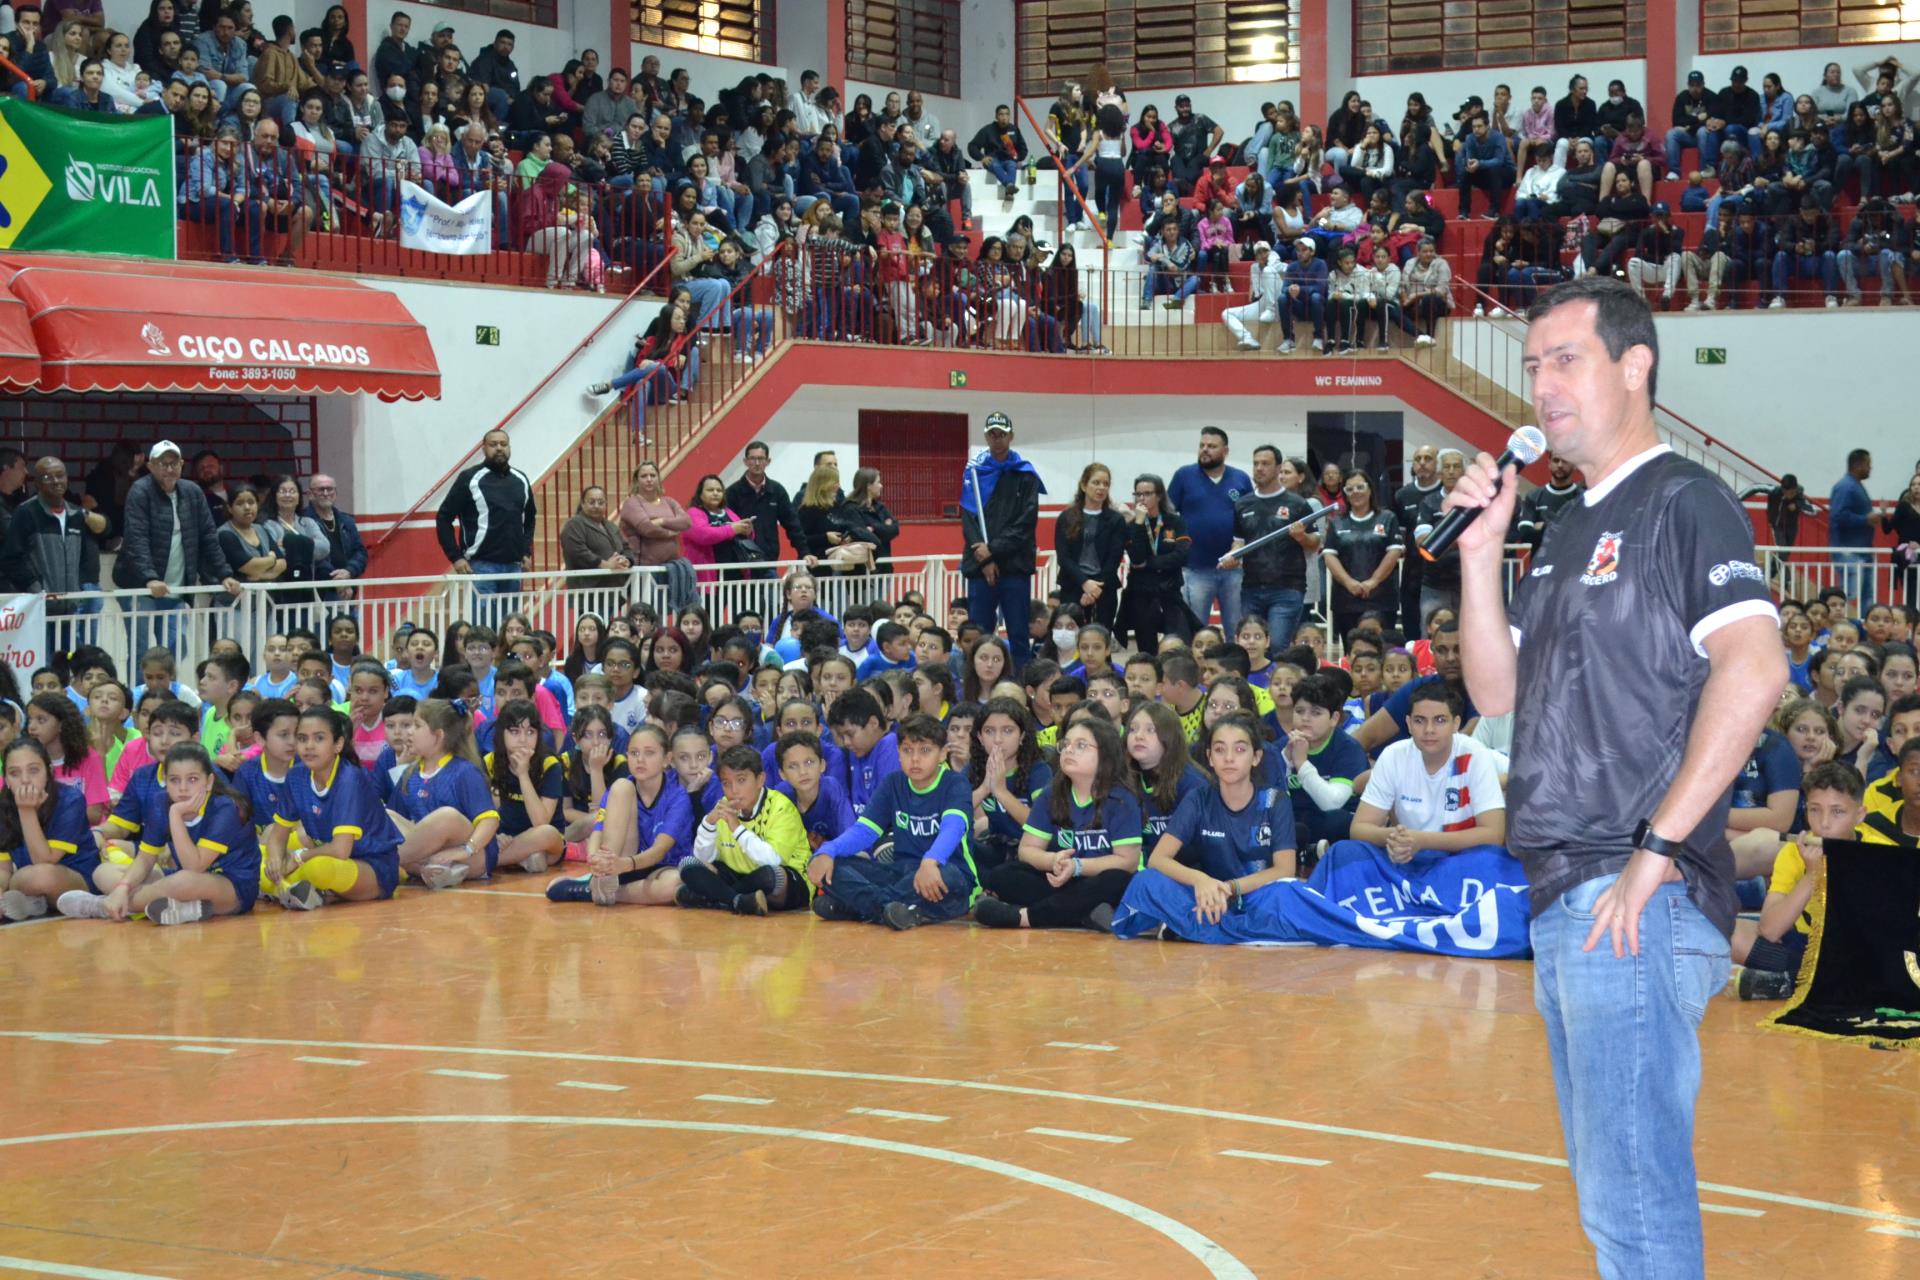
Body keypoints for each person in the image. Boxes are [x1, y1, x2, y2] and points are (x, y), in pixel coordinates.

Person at [1447, 276, 1787, 1278]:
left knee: (1634, 1206)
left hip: (1628, 890)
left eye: (1565, 359)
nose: (1540, 387)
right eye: (1532, 364)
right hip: (1566, 889)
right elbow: (1494, 690)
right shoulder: (1558, 528)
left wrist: (1658, 847)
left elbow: (1757, 667)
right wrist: (1480, 555)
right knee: (1614, 1199)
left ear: (1634, 366)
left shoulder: (1686, 500)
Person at [807, 712, 978, 930]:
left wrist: (931, 860)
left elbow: (953, 828)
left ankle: (861, 908)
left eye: (925, 751)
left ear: (943, 753)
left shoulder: (956, 783)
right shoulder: (893, 783)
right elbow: (864, 831)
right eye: (907, 751)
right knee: (831, 864)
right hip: (903, 874)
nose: (915, 759)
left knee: (949, 876)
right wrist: (828, 850)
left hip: (947, 875)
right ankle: (888, 909)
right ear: (898, 753)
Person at [110, 440, 240, 655]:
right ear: (151, 466)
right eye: (163, 463)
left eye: (173, 463)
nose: (169, 469)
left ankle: (169, 690)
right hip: (140, 587)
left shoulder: (192, 492)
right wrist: (149, 578)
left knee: (176, 649)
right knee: (141, 650)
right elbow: (136, 538)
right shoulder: (140, 491)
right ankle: (140, 689)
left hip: (176, 588)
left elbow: (208, 536)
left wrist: (224, 574)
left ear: (181, 465)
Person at [960, 412, 1043, 665]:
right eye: (992, 434)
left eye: (1002, 434)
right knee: (980, 634)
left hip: (1015, 567)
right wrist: (984, 559)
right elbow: (968, 518)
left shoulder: (1025, 475)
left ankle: (1020, 684)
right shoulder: (974, 473)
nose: (997, 439)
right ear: (986, 436)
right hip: (980, 567)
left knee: (1018, 633)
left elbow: (1025, 523)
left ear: (1011, 436)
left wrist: (992, 550)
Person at [1223, 448, 1319, 659]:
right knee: (1249, 649)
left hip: (1287, 589)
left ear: (1277, 468)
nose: (1259, 468)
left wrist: (1301, 537)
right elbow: (1239, 544)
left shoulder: (1297, 504)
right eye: (1256, 463)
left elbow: (1315, 543)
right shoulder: (1242, 504)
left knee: (1276, 647)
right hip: (1251, 588)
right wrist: (1232, 557)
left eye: (1265, 464)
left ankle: (1277, 690)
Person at [1166, 426, 1252, 638]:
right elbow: (1167, 516)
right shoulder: (1183, 476)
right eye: (1202, 445)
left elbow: (1251, 520)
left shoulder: (1240, 479)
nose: (1205, 450)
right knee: (1195, 632)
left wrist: (1241, 548)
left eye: (1212, 446)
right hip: (1194, 570)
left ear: (1225, 451)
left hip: (1234, 570)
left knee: (1236, 631)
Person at [435, 428, 535, 607]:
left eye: (503, 444)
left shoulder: (521, 479)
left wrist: (526, 551)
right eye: (493, 444)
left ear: (509, 447)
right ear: (483, 449)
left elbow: (529, 519)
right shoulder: (469, 478)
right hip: (480, 567)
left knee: (510, 630)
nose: (499, 448)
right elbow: (443, 517)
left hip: (514, 567)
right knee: (483, 632)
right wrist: (455, 557)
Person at [724, 439, 808, 570]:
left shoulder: (777, 490)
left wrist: (804, 552)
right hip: (739, 563)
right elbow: (724, 528)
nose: (757, 463)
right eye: (752, 459)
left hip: (769, 561)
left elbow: (793, 524)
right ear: (745, 461)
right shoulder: (732, 492)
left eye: (761, 459)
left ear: (768, 461)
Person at [300, 472, 366, 596]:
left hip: (348, 588)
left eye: (329, 489)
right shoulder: (303, 521)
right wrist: (338, 581)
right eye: (320, 489)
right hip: (319, 592)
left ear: (335, 492)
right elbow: (311, 556)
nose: (326, 493)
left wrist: (349, 571)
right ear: (310, 494)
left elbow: (360, 552)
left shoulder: (347, 521)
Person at [559, 484, 633, 587]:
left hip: (614, 589)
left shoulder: (611, 526)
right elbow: (577, 552)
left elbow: (626, 547)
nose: (596, 506)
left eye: (601, 502)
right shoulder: (575, 524)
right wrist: (605, 565)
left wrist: (626, 560)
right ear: (583, 504)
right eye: (592, 502)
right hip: (586, 590)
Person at [1830, 447, 1876, 609]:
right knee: (1849, 595)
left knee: (1866, 595)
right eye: (1868, 464)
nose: (1871, 468)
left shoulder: (1854, 486)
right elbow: (1838, 515)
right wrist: (1865, 519)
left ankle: (1864, 630)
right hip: (1849, 552)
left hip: (1861, 551)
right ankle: (1843, 629)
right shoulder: (1846, 487)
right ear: (1858, 465)